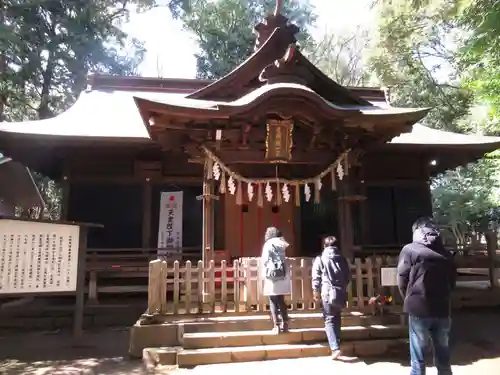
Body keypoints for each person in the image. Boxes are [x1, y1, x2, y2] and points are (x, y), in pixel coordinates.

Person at [397, 217, 456, 375]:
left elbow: (402, 278)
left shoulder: (409, 250)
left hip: (418, 307)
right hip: (443, 308)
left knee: (418, 357)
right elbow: (452, 283)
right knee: (443, 354)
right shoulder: (446, 254)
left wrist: (408, 298)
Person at [312, 236, 351, 360]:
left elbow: (316, 276)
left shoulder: (321, 258)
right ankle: (337, 342)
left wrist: (315, 291)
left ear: (324, 246)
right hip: (340, 292)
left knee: (329, 319)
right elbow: (348, 276)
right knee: (337, 317)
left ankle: (334, 348)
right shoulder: (342, 259)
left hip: (327, 292)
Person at [261, 226, 291, 334]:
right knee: (281, 300)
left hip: (271, 274)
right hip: (282, 274)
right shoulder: (282, 243)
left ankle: (276, 325)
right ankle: (286, 324)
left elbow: (265, 260)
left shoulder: (268, 244)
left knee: (273, 300)